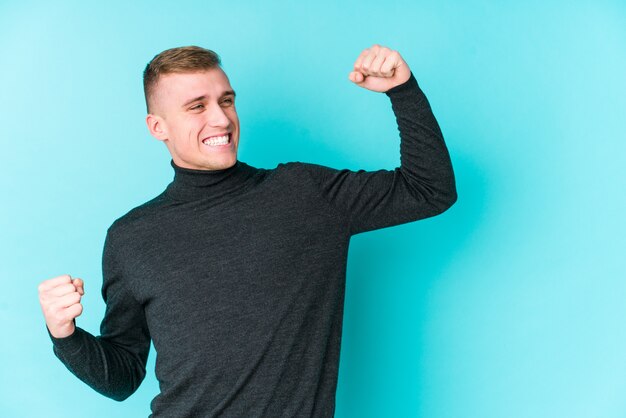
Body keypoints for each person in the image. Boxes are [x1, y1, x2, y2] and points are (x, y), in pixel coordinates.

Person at [38, 44, 457, 417]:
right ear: (157, 127)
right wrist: (65, 335)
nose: (221, 118)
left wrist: (403, 91)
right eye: (197, 106)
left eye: (227, 100)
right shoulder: (131, 237)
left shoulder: (306, 194)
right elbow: (122, 378)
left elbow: (430, 189)